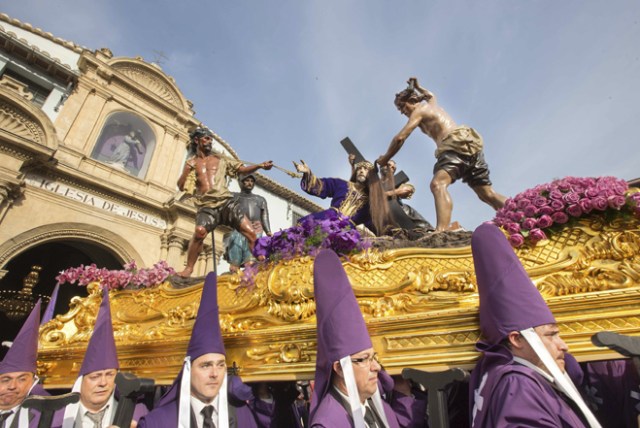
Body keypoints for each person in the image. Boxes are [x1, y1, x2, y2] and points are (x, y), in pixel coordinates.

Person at [469, 223, 601, 427]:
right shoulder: (519, 384)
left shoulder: (512, 377)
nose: (564, 346)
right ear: (516, 339)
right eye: (551, 335)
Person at [137, 272, 275, 428]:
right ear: (188, 370)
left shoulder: (243, 416)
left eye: (221, 365)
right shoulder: (156, 423)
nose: (215, 374)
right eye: (206, 365)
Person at [377, 77, 506, 232]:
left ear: (411, 100)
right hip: (469, 145)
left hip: (453, 146)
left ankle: (441, 230)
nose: (402, 112)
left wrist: (385, 158)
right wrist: (418, 87)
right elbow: (431, 95)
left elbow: (400, 138)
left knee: (437, 184)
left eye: (402, 107)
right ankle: (520, 213)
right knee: (486, 193)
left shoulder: (419, 111)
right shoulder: (432, 105)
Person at [310, 249, 421, 427]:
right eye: (364, 360)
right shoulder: (328, 423)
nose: (376, 367)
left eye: (373, 357)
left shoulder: (377, 406)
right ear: (339, 368)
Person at [177, 127, 273, 277]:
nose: (209, 141)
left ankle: (259, 264)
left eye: (210, 139)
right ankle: (189, 268)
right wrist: (187, 170)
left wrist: (259, 166)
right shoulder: (192, 163)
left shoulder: (220, 159)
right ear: (197, 140)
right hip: (207, 206)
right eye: (206, 138)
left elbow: (242, 170)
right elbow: (181, 186)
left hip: (226, 202)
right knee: (199, 232)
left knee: (250, 232)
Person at [55, 290, 147, 428]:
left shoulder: (137, 414)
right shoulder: (56, 418)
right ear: (80, 382)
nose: (103, 383)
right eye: (95, 377)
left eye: (110, 375)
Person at [293, 158, 393, 236]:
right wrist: (307, 173)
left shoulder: (371, 203)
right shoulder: (341, 184)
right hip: (327, 219)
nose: (361, 171)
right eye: (359, 169)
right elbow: (321, 186)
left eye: (365, 169)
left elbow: (377, 224)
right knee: (302, 231)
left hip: (347, 232)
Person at [0, 301, 45, 428]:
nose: (12, 386)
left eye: (22, 379)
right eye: (5, 380)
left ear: (33, 382)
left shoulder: (52, 417)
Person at [224, 174, 271, 273]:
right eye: (247, 180)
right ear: (241, 182)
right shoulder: (233, 196)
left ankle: (249, 281)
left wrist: (268, 231)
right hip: (238, 230)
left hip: (255, 230)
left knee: (251, 262)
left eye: (252, 181)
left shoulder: (260, 199)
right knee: (234, 264)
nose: (250, 183)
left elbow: (264, 216)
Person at [378, 159, 433, 231]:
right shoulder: (374, 184)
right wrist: (395, 192)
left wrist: (405, 190)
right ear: (381, 166)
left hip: (400, 209)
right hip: (382, 214)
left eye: (393, 168)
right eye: (388, 165)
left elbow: (408, 189)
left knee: (421, 226)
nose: (391, 167)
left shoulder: (396, 182)